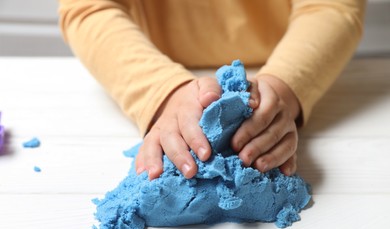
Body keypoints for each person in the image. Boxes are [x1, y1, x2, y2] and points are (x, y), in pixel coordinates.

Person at [59, 0, 366, 180]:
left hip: (283, 61)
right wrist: (164, 91)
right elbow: (89, 9)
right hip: (157, 64)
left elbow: (331, 6)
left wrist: (284, 86)